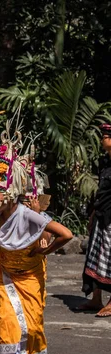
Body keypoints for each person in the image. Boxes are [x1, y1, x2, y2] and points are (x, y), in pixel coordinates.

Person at [0, 127, 73, 354]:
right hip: (5, 275)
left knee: (32, 326)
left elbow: (66, 234)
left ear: (9, 192)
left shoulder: (27, 214)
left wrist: (44, 251)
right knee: (7, 322)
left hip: (31, 276)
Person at [79, 124, 111, 317]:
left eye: (106, 136)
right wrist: (93, 214)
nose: (103, 139)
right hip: (101, 214)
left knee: (109, 258)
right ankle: (95, 299)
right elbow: (101, 192)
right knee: (94, 255)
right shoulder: (104, 162)